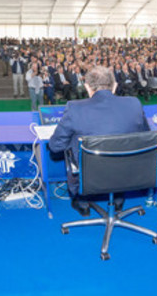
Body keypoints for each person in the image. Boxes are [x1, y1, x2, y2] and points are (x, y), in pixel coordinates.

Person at [48, 66, 150, 216]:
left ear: (87, 87)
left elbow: (55, 146)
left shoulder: (74, 108)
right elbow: (146, 138)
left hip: (90, 175)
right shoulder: (134, 103)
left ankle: (82, 203)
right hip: (128, 174)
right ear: (114, 86)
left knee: (72, 145)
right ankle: (118, 200)